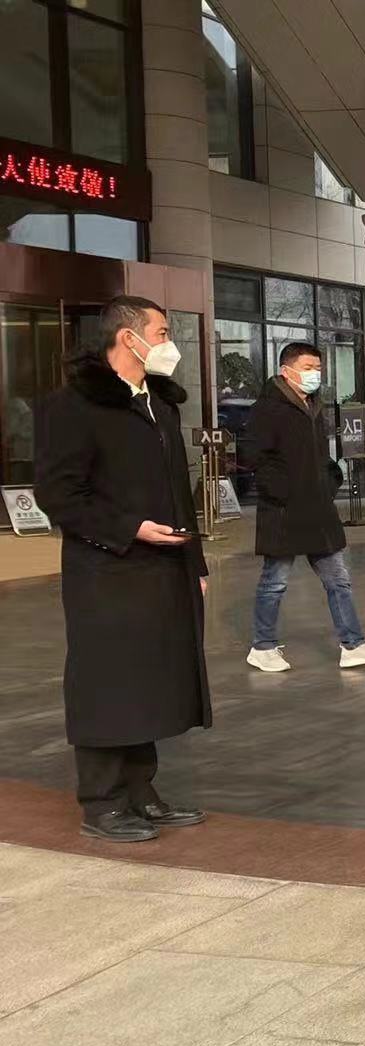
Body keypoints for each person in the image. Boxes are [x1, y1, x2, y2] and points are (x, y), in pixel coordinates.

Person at [34, 295, 210, 843]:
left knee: (149, 680)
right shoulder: (74, 406)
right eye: (162, 333)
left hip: (163, 567)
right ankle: (103, 802)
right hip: (105, 571)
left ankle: (141, 792)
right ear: (127, 338)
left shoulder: (159, 404)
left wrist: (195, 562)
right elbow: (58, 495)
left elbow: (179, 493)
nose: (169, 344)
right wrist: (130, 528)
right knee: (107, 682)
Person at [242, 342, 365, 672]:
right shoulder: (268, 408)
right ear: (286, 371)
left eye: (318, 368)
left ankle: (353, 644)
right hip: (284, 510)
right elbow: (252, 456)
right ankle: (262, 647)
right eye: (308, 368)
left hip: (318, 509)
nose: (315, 374)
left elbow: (320, 456)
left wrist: (329, 480)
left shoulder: (314, 406)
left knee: (338, 579)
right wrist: (280, 490)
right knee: (275, 581)